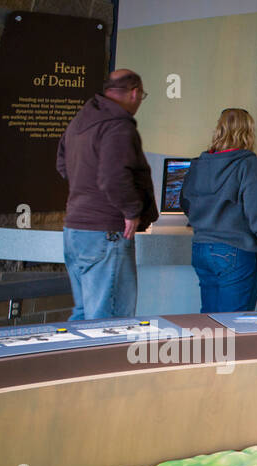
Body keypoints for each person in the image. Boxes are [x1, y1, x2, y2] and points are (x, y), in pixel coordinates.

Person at [56, 69, 159, 320]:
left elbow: (62, 165)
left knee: (84, 313)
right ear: (134, 93)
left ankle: (76, 360)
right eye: (141, 96)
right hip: (106, 232)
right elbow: (113, 176)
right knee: (110, 320)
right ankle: (99, 361)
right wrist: (132, 211)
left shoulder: (82, 120)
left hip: (75, 230)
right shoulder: (117, 126)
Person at [179, 108, 257, 312]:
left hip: (201, 248)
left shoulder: (199, 164)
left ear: (219, 129)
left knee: (210, 321)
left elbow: (186, 202)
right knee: (234, 324)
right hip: (235, 251)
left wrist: (208, 220)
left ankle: (211, 346)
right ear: (248, 132)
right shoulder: (250, 166)